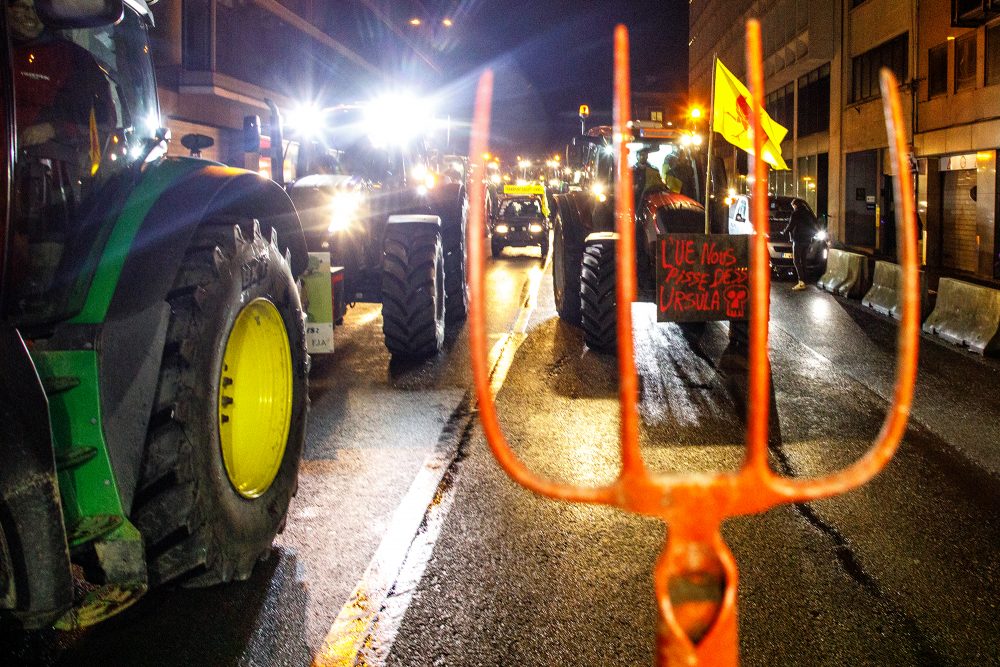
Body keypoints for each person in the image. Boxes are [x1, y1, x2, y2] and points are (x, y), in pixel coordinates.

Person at [782, 199, 816, 290]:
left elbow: (791, 225)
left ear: (795, 205)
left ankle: (801, 282)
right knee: (803, 260)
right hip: (807, 240)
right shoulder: (808, 213)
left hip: (798, 240)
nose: (793, 207)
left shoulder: (796, 213)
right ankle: (805, 280)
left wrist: (783, 232)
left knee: (796, 261)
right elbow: (814, 225)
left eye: (793, 206)